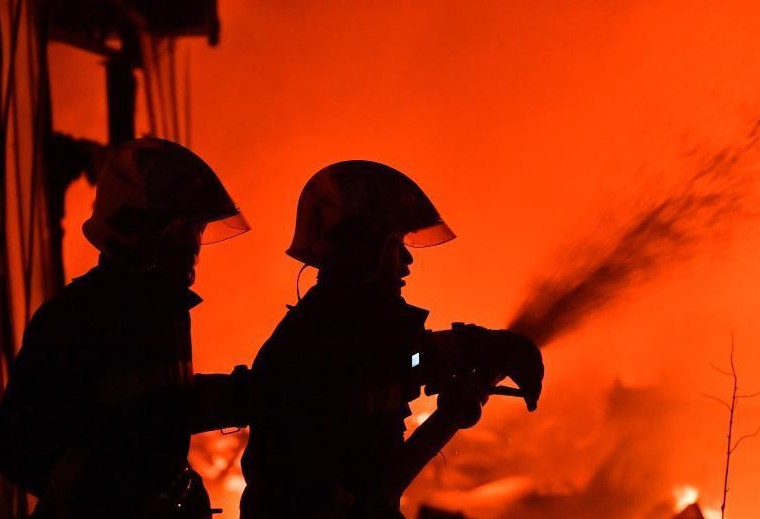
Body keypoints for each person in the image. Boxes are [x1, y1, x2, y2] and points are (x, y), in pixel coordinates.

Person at [240, 160, 544, 519]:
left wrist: (474, 354)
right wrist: (475, 356)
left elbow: (406, 361)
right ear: (366, 250)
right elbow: (400, 362)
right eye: (396, 243)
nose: (408, 260)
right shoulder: (326, 338)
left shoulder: (340, 330)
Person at [0, 137, 251, 519]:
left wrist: (248, 395)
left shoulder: (162, 312)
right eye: (186, 232)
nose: (194, 249)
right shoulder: (73, 320)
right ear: (144, 231)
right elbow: (19, 450)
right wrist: (125, 502)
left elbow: (162, 409)